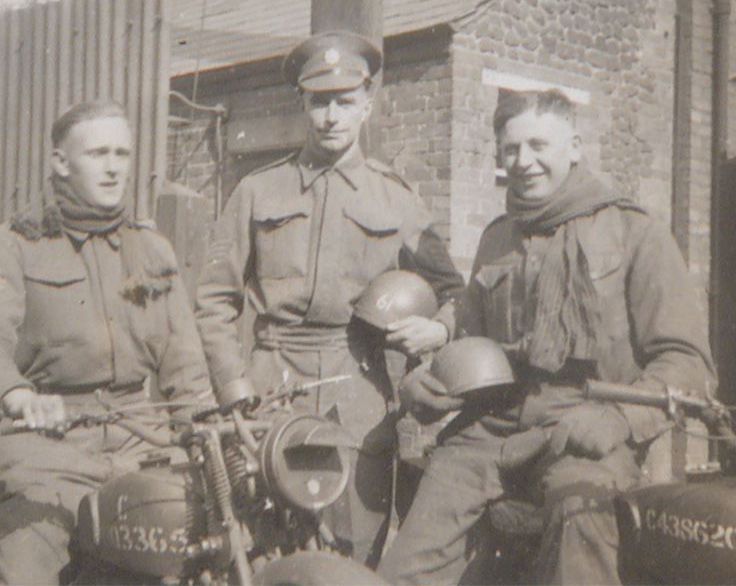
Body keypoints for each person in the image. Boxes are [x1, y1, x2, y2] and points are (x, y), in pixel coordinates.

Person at [379, 88, 716, 585]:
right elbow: (469, 338)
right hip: (488, 433)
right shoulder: (497, 238)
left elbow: (686, 362)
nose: (523, 162)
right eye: (511, 149)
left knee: (583, 520)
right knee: (407, 563)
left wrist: (621, 417)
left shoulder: (634, 231)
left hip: (585, 431)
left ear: (575, 147)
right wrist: (427, 381)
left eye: (539, 145)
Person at [195, 31, 464, 567]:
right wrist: (235, 385)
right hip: (271, 388)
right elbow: (212, 299)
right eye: (320, 102)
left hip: (357, 393)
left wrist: (441, 329)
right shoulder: (257, 191)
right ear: (302, 104)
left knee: (351, 554)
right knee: (261, 548)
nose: (332, 116)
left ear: (368, 104)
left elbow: (452, 289)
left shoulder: (397, 198)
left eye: (345, 102)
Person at [0, 101, 210, 585]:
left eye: (122, 154)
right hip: (46, 446)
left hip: (142, 439)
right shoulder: (15, 246)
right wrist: (16, 395)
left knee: (207, 550)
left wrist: (205, 428)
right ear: (61, 163)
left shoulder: (151, 249)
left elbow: (185, 363)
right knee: (28, 564)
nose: (113, 168)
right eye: (98, 154)